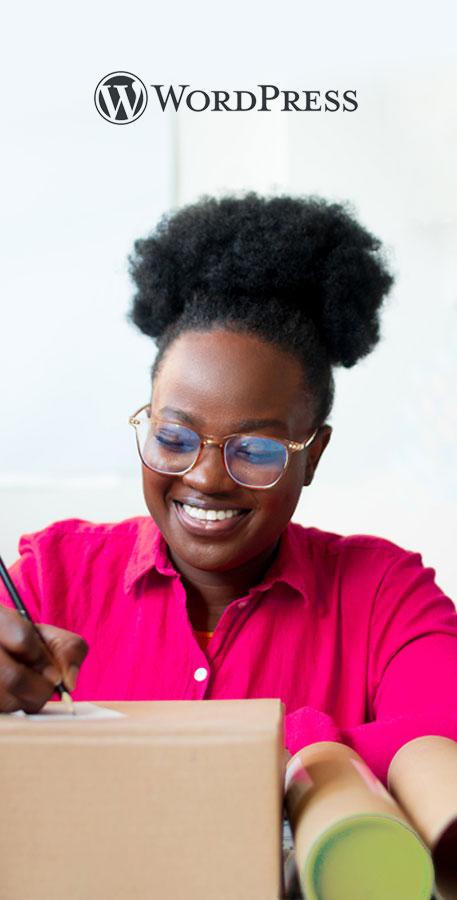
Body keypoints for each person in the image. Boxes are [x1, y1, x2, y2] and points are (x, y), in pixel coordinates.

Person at [1, 193, 456, 784]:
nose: (206, 478)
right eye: (173, 437)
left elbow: (440, 746)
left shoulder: (384, 599)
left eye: (257, 449)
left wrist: (218, 743)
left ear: (311, 456)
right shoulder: (51, 578)